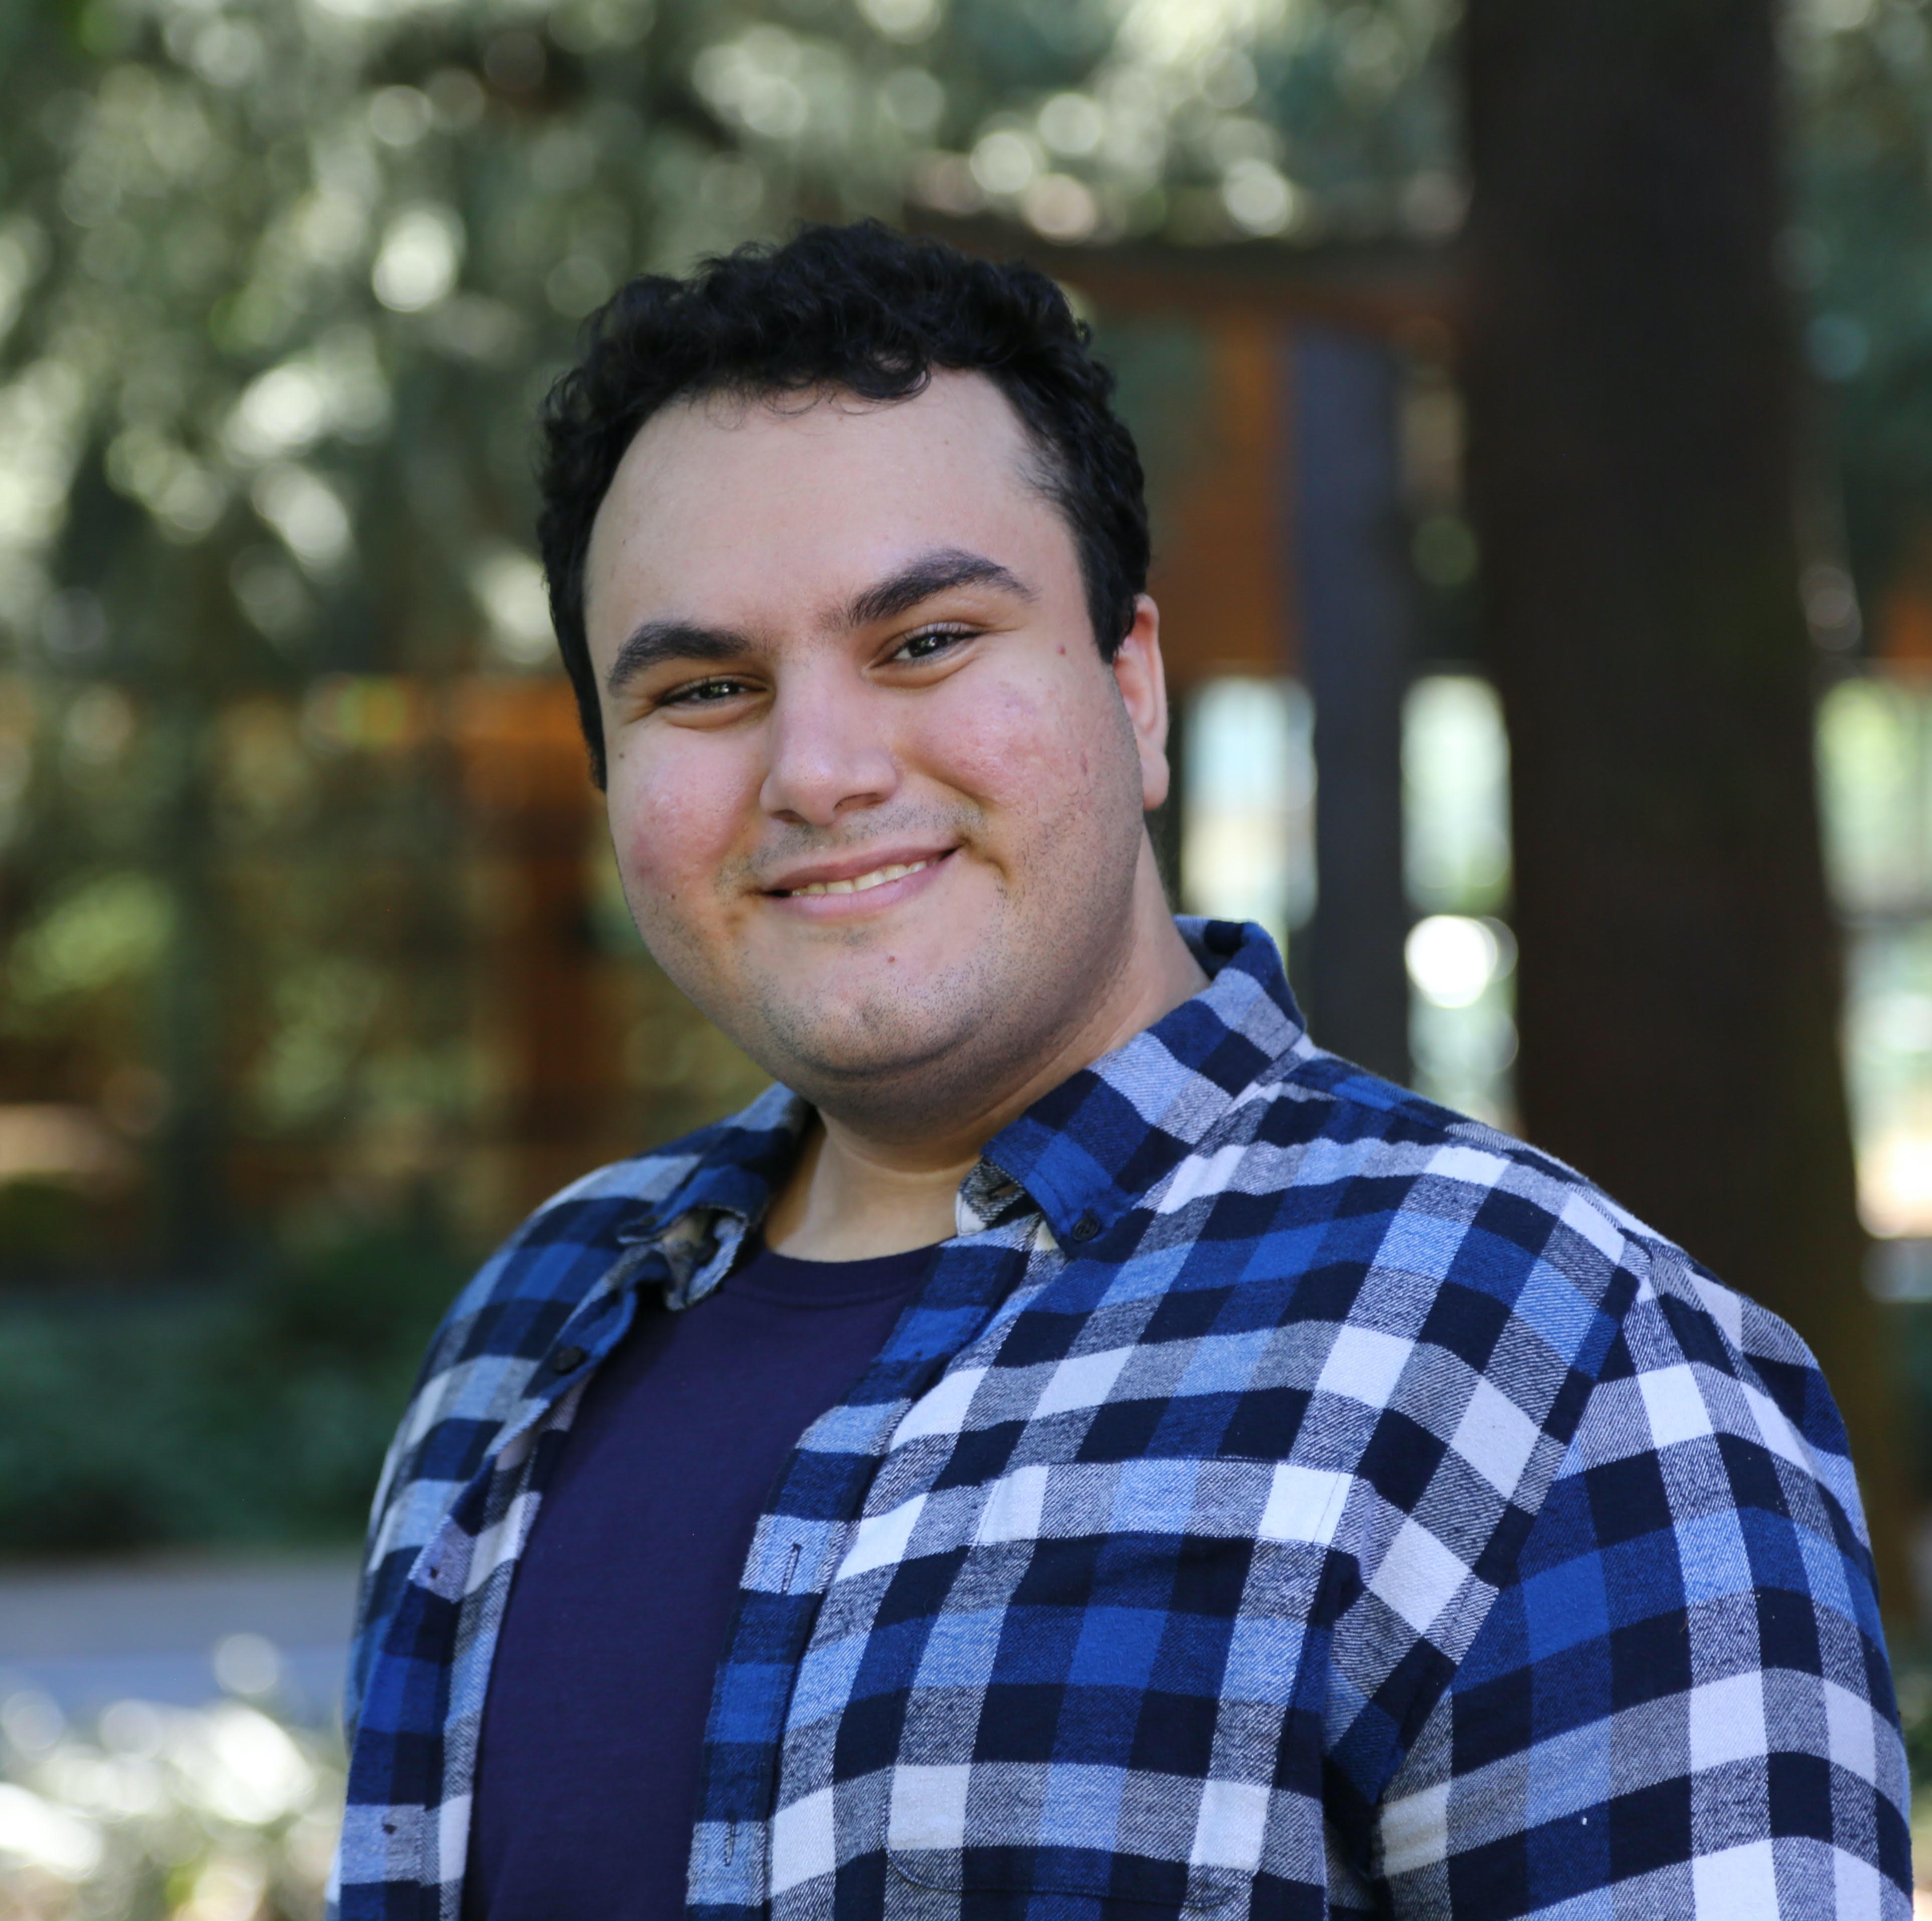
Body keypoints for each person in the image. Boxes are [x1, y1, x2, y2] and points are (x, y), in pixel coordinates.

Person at [334, 222, 1909, 1920]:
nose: (820, 768)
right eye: (706, 687)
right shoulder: (526, 1340)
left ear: (1134, 687)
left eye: (926, 639)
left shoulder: (1550, 1359)